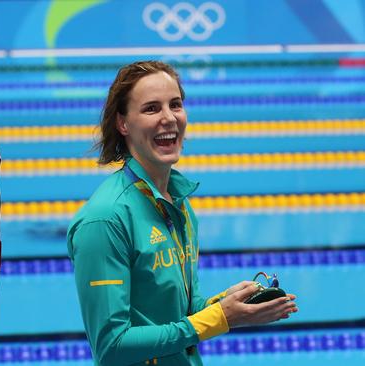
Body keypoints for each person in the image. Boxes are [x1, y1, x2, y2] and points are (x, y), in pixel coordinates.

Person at [66, 61, 298, 366]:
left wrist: (227, 304)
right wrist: (219, 318)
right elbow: (112, 346)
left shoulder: (179, 204)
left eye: (175, 105)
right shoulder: (106, 219)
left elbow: (182, 313)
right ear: (123, 124)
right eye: (151, 109)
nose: (168, 118)